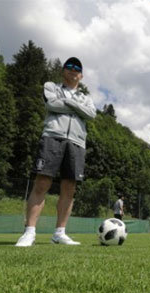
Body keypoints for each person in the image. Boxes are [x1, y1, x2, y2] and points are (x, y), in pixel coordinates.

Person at [15, 57, 96, 247]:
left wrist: (70, 103)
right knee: (42, 182)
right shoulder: (51, 86)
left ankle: (59, 233)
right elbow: (52, 104)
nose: (73, 70)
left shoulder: (86, 98)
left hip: (77, 142)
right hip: (52, 137)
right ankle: (29, 232)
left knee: (69, 188)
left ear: (81, 75)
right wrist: (77, 108)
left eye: (77, 68)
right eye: (69, 66)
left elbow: (91, 114)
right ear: (63, 71)